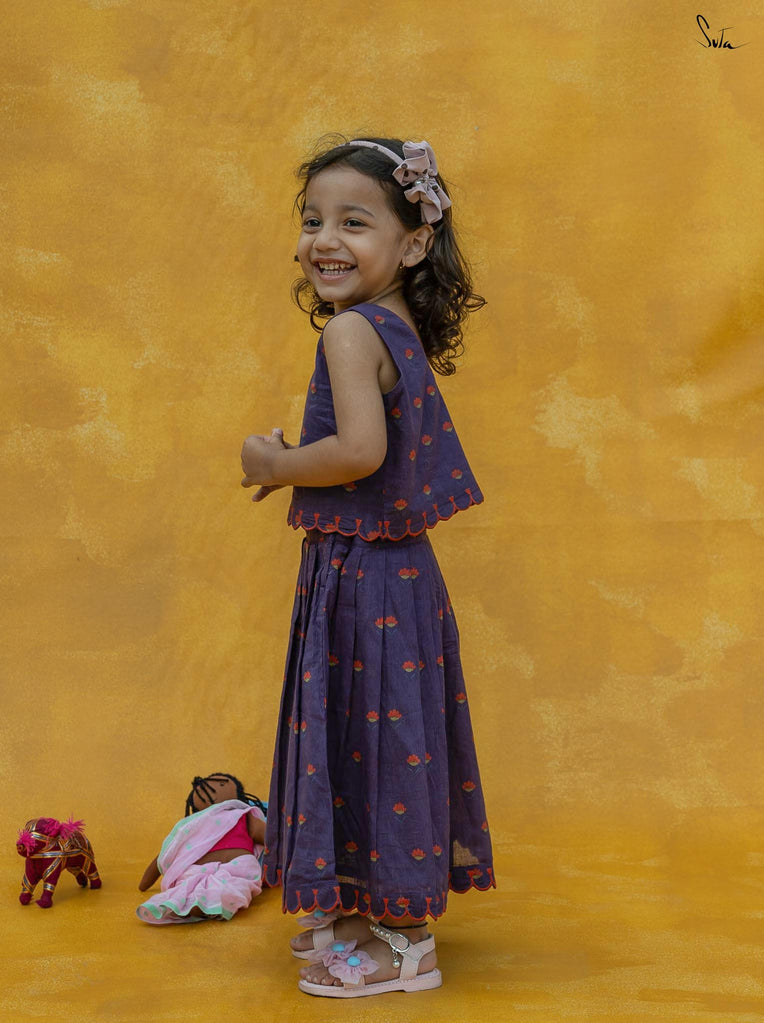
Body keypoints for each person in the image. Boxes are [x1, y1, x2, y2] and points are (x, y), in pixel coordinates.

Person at [240, 136, 495, 998]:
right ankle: (364, 908)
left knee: (380, 745)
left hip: (368, 574)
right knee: (372, 737)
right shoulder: (390, 323)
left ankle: (406, 943)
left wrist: (274, 463)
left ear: (413, 243)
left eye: (353, 222)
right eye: (312, 219)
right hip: (387, 571)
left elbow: (358, 451)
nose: (324, 240)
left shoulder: (352, 330)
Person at [136, 772, 267, 925]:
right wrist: (144, 883)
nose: (211, 790)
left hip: (237, 865)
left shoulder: (243, 814)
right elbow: (168, 851)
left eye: (221, 784)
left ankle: (211, 904)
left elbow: (267, 837)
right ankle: (192, 904)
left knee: (233, 885)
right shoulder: (191, 825)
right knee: (188, 885)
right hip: (196, 869)